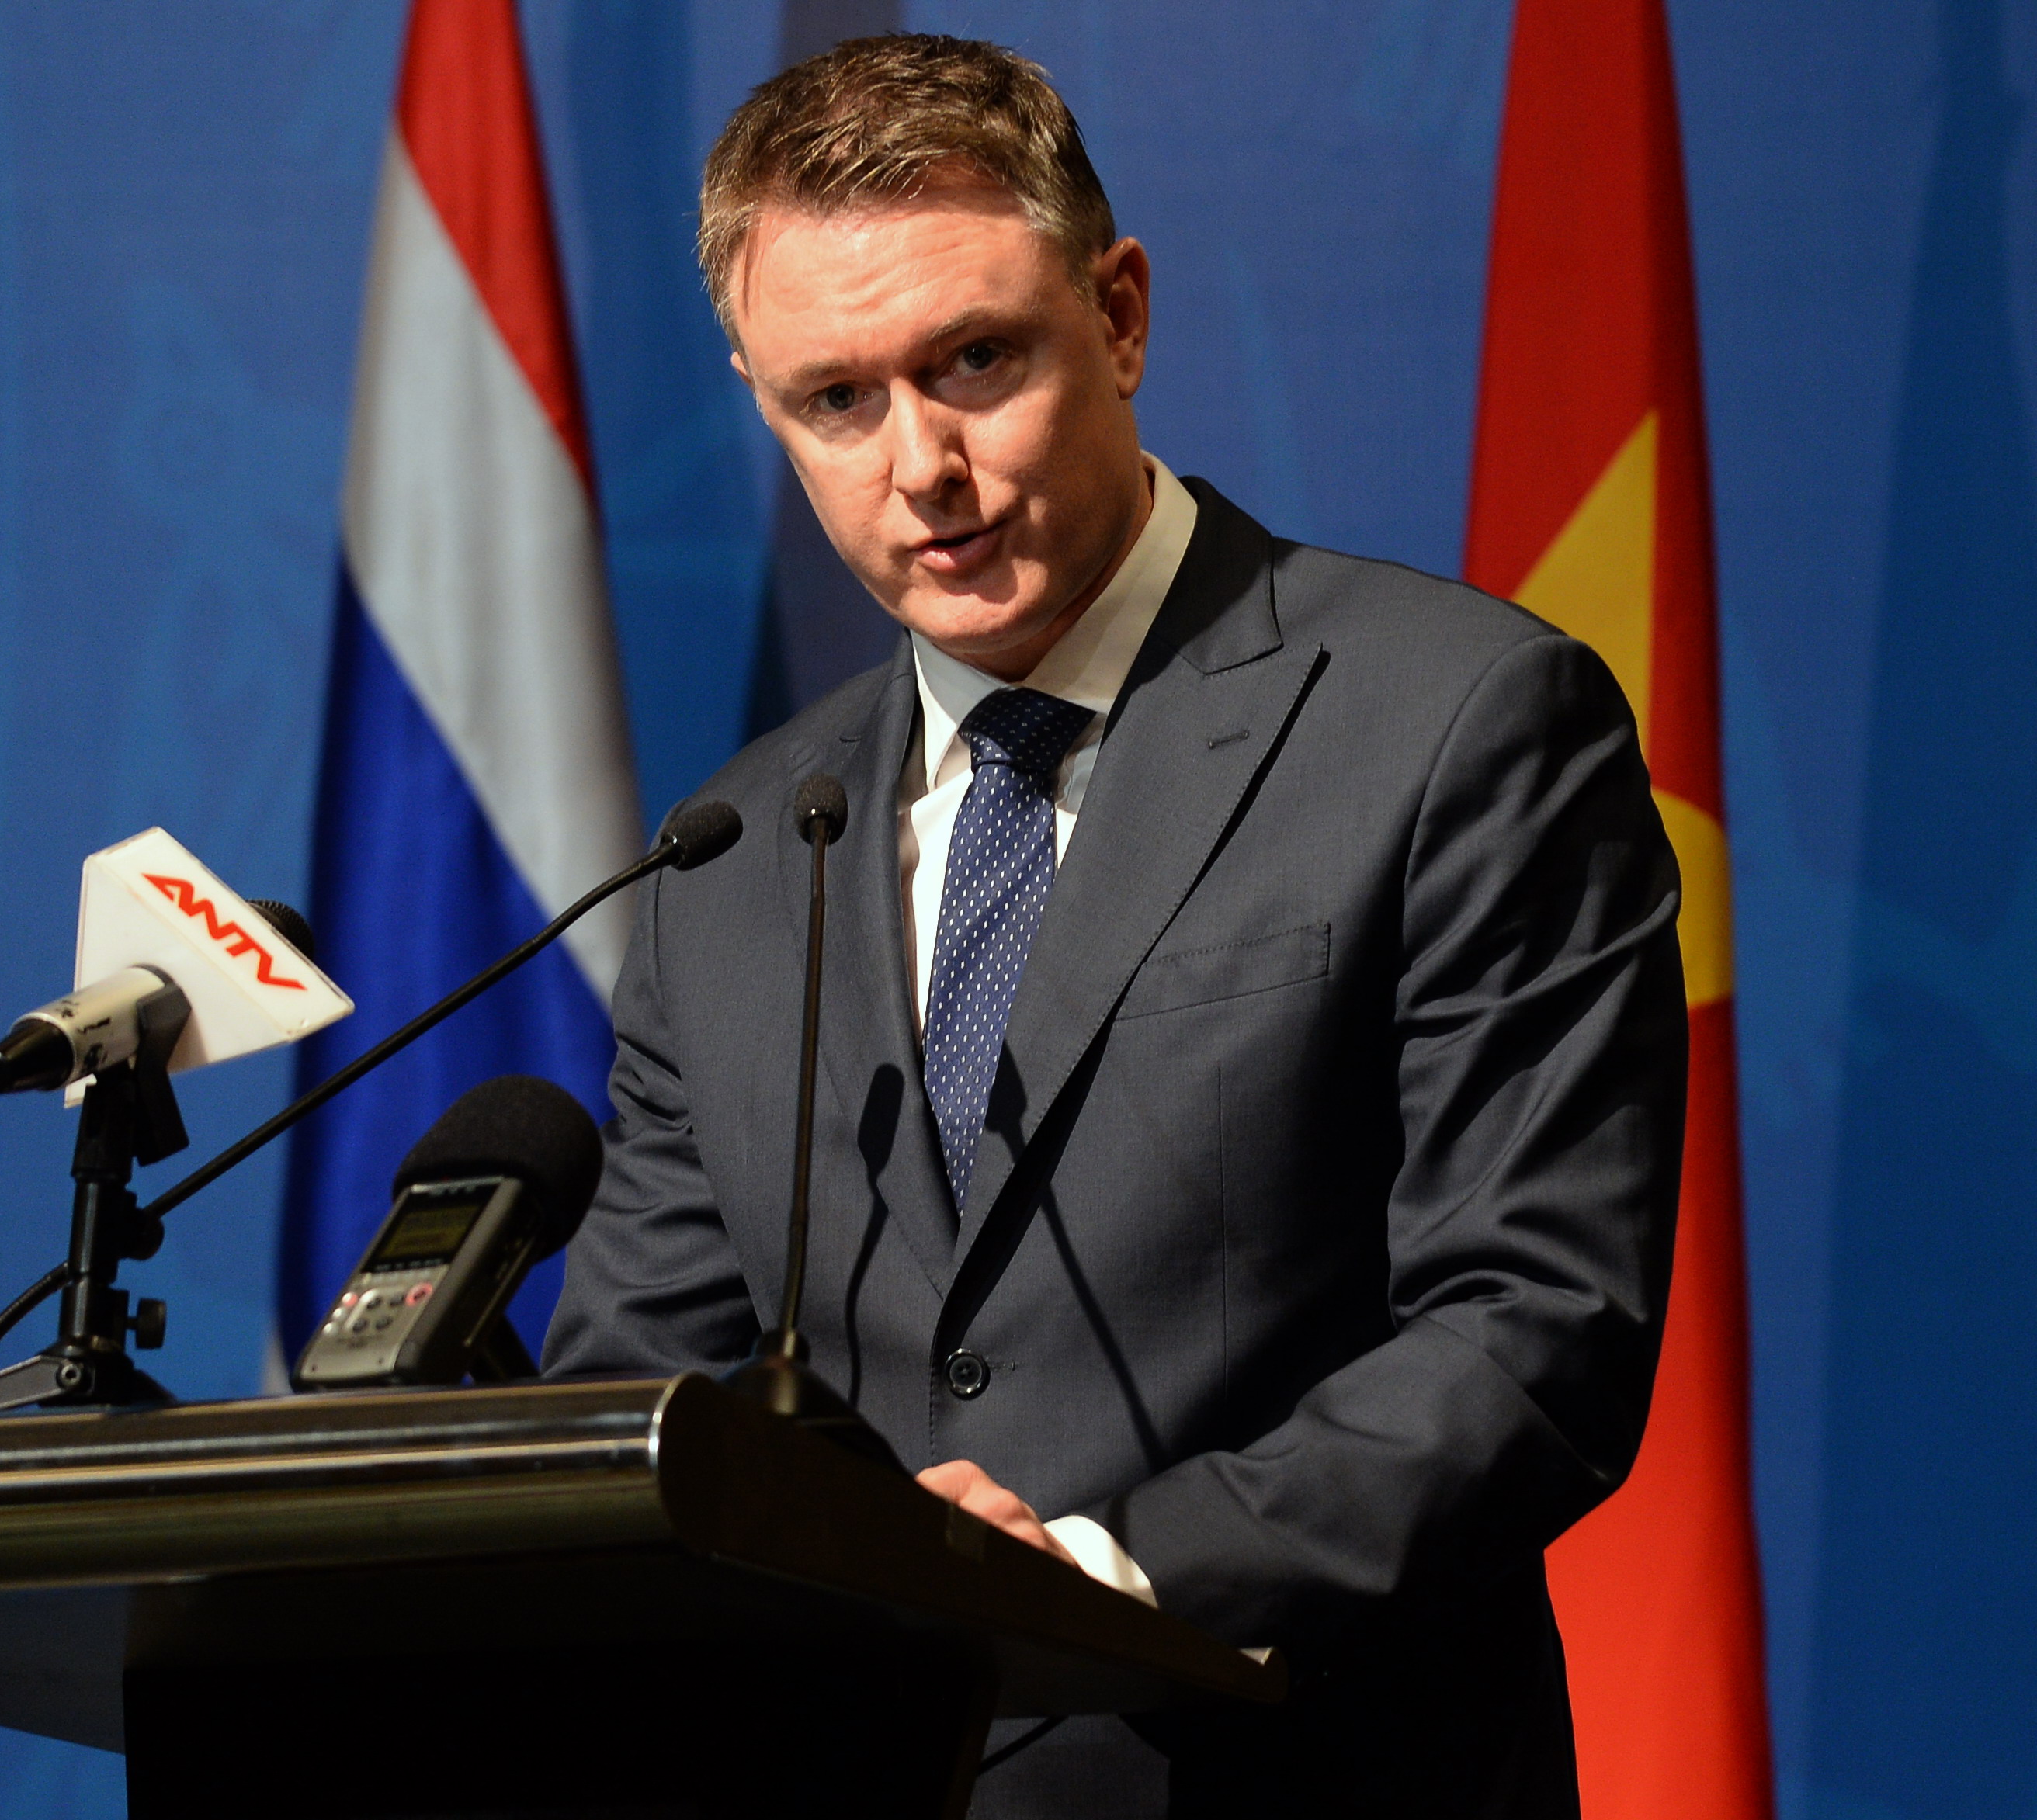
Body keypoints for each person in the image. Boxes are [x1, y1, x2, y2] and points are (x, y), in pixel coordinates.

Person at [544, 33, 1685, 1819]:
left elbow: (1532, 1327)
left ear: (1121, 315)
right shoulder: (737, 851)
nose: (920, 463)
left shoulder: (1455, 724)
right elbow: (640, 1385)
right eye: (835, 400)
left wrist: (1091, 1578)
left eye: (973, 361)